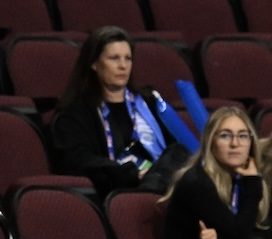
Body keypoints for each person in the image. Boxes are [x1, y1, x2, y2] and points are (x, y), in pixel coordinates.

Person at [51, 25, 189, 198]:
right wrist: (132, 175)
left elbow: (177, 150)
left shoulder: (150, 102)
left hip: (162, 183)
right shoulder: (74, 113)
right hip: (115, 191)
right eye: (114, 58)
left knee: (181, 151)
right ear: (94, 63)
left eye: (128, 58)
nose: (123, 66)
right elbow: (80, 161)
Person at [158, 106, 272, 239]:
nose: (235, 144)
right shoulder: (197, 183)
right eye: (225, 135)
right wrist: (253, 187)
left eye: (243, 136)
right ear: (211, 141)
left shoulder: (241, 178)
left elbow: (252, 232)